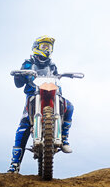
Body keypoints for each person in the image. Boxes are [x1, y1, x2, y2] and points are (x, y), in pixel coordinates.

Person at [8, 36, 74, 173]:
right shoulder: (28, 63)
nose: (47, 49)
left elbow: (57, 81)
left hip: (51, 95)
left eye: (49, 47)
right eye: (44, 46)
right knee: (24, 124)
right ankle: (14, 164)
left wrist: (60, 84)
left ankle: (64, 138)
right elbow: (18, 84)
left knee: (70, 106)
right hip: (34, 96)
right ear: (37, 47)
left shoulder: (52, 65)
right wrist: (18, 76)